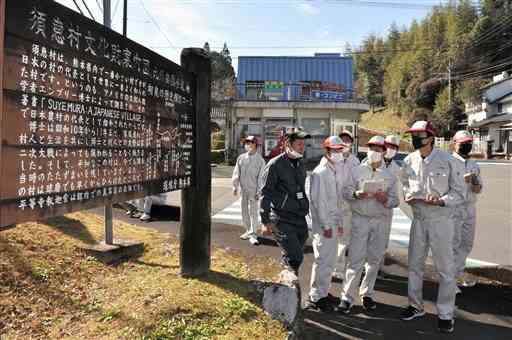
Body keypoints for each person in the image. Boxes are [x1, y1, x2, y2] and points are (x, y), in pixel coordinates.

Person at [399, 121, 465, 334]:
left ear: (430, 137)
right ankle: (415, 305)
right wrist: (408, 196)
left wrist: (441, 200)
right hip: (418, 219)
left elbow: (459, 194)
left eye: (419, 134)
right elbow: (406, 184)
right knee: (414, 265)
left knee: (445, 270)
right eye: (413, 134)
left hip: (441, 221)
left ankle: (445, 314)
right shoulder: (409, 160)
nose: (415, 138)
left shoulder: (448, 160)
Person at [337, 136, 399, 313]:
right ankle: (346, 297)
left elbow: (395, 201)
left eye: (379, 149)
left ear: (384, 151)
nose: (375, 152)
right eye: (372, 148)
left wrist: (385, 199)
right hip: (360, 219)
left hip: (380, 221)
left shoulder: (389, 175)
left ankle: (367, 294)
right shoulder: (356, 171)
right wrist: (357, 194)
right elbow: (346, 191)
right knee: (355, 259)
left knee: (374, 260)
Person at [260, 129, 311, 275]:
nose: (302, 147)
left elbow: (300, 190)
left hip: (299, 217)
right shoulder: (275, 164)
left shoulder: (301, 164)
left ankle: (285, 284)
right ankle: (288, 285)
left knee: (292, 257)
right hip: (281, 218)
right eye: (299, 144)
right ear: (288, 144)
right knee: (296, 256)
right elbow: (265, 192)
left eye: (304, 144)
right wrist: (265, 221)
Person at [308, 136, 346, 312]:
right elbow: (318, 202)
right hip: (324, 226)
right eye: (335, 150)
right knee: (322, 260)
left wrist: (338, 223)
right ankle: (316, 296)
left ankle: (324, 291)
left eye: (340, 150)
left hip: (333, 222)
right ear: (327, 151)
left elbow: (337, 200)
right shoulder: (320, 172)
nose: (338, 153)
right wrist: (327, 226)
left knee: (330, 261)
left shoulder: (335, 170)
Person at [452, 130, 483, 289]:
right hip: (454, 208)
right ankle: (449, 281)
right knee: (453, 244)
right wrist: (461, 180)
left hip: (470, 208)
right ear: (454, 143)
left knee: (466, 244)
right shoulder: (449, 162)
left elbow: (478, 189)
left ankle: (457, 275)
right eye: (463, 143)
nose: (466, 146)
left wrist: (475, 182)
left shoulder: (474, 164)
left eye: (468, 143)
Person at [332, 130, 360, 281]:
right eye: (342, 140)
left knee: (343, 239)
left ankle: (339, 268)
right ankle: (331, 266)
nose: (345, 143)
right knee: (330, 238)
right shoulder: (333, 160)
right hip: (333, 204)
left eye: (348, 141)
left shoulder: (355, 162)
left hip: (348, 205)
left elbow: (358, 182)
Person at [232, 136, 266, 246]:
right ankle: (247, 230)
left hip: (254, 190)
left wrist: (259, 191)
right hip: (244, 189)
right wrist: (235, 186)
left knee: (253, 212)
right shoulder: (241, 158)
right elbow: (236, 172)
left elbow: (261, 177)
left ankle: (253, 234)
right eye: (247, 143)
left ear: (256, 145)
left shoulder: (260, 160)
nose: (249, 145)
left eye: (251, 143)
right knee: (244, 211)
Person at [378, 135, 403, 275]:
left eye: (394, 147)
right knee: (367, 242)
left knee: (383, 241)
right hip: (369, 209)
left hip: (386, 210)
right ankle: (365, 268)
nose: (390, 149)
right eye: (388, 146)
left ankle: (379, 267)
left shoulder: (396, 168)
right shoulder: (372, 162)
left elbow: (396, 197)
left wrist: (387, 200)